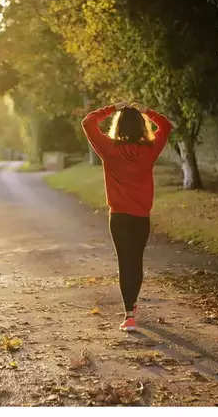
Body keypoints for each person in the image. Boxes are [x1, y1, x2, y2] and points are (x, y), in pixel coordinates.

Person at [81, 101, 173, 331]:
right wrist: (146, 110)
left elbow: (87, 122)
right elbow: (166, 126)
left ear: (118, 126)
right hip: (141, 216)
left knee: (125, 262)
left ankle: (129, 314)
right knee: (136, 260)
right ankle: (132, 304)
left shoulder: (109, 149)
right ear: (141, 126)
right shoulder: (149, 150)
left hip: (119, 217)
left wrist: (112, 108)